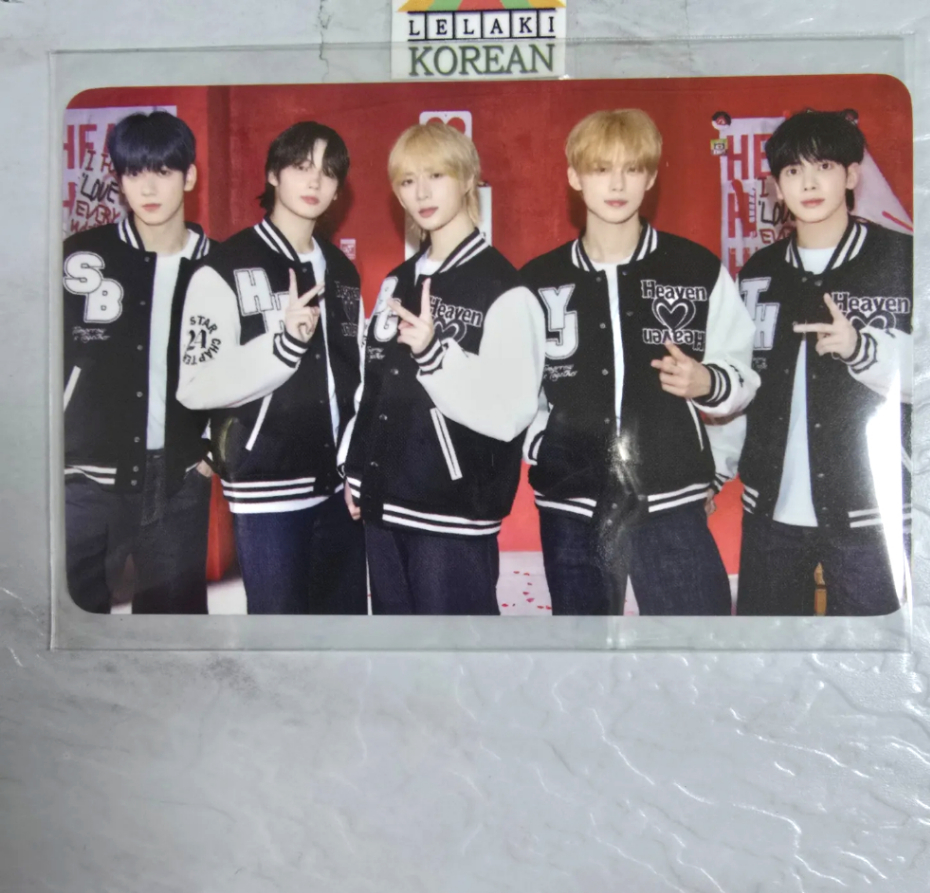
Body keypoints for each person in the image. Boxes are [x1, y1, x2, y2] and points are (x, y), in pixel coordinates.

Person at [519, 108, 759, 615]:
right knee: (583, 654)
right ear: (574, 177)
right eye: (601, 169)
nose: (617, 184)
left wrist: (707, 384)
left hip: (670, 502)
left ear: (650, 178)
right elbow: (515, 395)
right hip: (571, 506)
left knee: (696, 646)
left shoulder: (694, 268)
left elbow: (743, 376)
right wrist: (545, 445)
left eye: (632, 169)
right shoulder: (537, 280)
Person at [344, 122, 546, 615]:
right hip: (382, 508)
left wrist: (436, 355)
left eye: (436, 175)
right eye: (408, 181)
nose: (422, 193)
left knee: (458, 656)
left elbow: (510, 414)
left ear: (468, 178)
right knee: (399, 655)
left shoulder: (504, 290)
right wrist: (355, 468)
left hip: (454, 519)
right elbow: (372, 388)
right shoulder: (397, 281)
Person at [725, 109, 913, 615]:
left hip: (869, 510)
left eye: (824, 166)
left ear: (851, 176)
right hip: (771, 512)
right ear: (776, 186)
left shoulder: (901, 260)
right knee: (768, 652)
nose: (808, 183)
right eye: (793, 170)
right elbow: (742, 385)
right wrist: (717, 472)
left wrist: (861, 347)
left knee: (875, 651)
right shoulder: (758, 272)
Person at [177, 121, 366, 615]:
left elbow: (356, 377)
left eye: (327, 172)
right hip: (266, 492)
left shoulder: (342, 271)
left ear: (338, 190)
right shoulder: (224, 266)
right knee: (279, 642)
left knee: (342, 638)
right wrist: (281, 347)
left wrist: (360, 461)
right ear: (273, 175)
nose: (314, 181)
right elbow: (194, 385)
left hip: (340, 488)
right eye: (301, 167)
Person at [63, 110, 213, 614]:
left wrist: (211, 456)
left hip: (179, 479)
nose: (147, 188)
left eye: (163, 171)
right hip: (87, 480)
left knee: (174, 635)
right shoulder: (80, 257)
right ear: (120, 180)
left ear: (189, 176)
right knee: (72, 629)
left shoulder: (220, 265)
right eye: (133, 173)